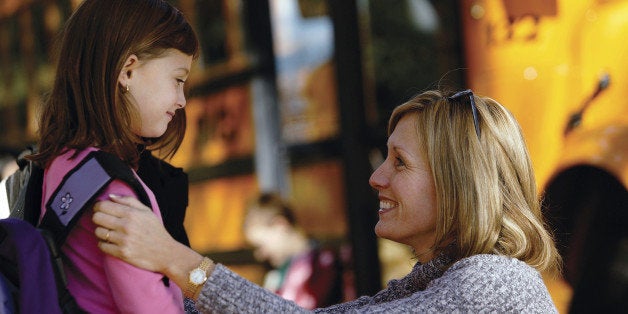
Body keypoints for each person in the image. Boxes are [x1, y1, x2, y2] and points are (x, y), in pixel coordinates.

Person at [92, 88, 562, 312]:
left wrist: (178, 262)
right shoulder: (429, 282)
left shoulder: (496, 285)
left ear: (460, 184)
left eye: (399, 162)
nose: (377, 177)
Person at [25, 0, 199, 312]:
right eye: (178, 80)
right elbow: (149, 306)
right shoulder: (114, 190)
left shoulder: (64, 162)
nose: (182, 100)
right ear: (128, 71)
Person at [242, 192, 346, 309]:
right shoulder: (276, 276)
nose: (260, 255)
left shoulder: (324, 263)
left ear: (280, 225)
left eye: (260, 246)